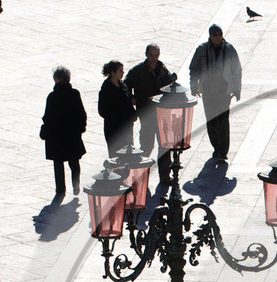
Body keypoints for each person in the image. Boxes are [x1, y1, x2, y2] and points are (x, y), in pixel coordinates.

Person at [188, 25, 242, 164]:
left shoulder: (229, 50)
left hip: (224, 92)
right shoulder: (201, 50)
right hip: (208, 92)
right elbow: (194, 69)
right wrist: (194, 87)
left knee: (223, 121)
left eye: (220, 34)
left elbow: (237, 70)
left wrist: (236, 89)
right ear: (210, 36)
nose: (218, 37)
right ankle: (216, 147)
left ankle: (223, 150)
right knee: (211, 121)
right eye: (215, 35)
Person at [127, 44, 176, 184]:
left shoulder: (162, 69)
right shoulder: (137, 71)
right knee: (147, 146)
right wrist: (131, 98)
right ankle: (141, 176)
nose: (154, 58)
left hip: (162, 113)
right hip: (147, 114)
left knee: (164, 146)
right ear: (146, 54)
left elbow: (167, 86)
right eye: (152, 55)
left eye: (156, 55)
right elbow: (126, 85)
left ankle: (165, 177)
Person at [40, 66, 87, 202]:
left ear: (56, 79)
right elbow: (81, 113)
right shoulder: (74, 94)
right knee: (74, 161)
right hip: (72, 134)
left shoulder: (52, 96)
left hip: (56, 136)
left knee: (58, 163)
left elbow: (47, 117)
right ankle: (76, 185)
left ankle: (60, 189)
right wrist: (80, 128)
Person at [98, 61, 134, 155]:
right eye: (120, 70)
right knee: (116, 155)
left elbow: (128, 101)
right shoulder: (106, 89)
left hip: (126, 126)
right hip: (114, 128)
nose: (123, 72)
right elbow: (102, 110)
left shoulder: (123, 85)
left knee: (128, 154)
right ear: (113, 72)